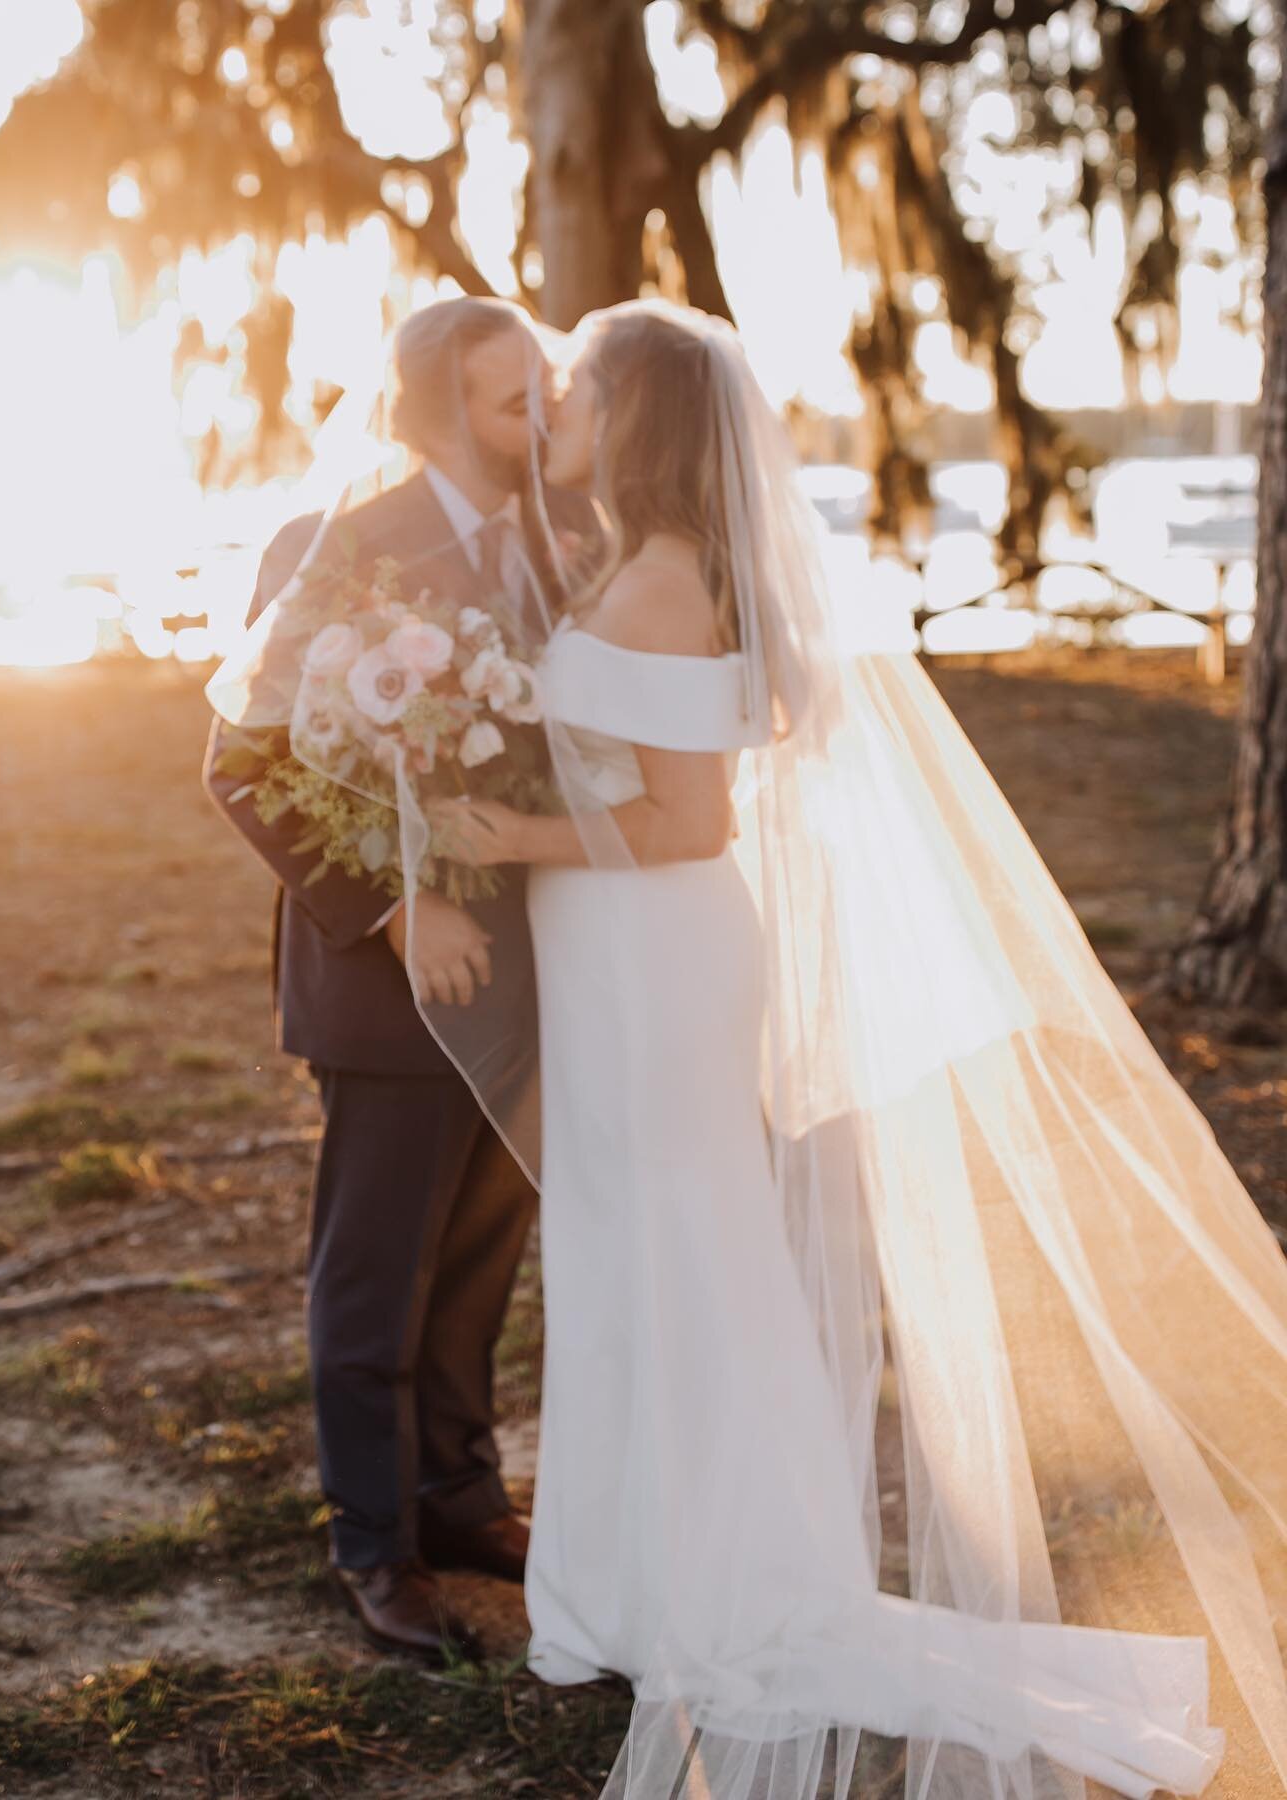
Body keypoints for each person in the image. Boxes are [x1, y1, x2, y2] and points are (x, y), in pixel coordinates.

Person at [421, 302, 1287, 1798]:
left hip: (662, 955)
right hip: (617, 958)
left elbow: (693, 824)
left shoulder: (670, 581)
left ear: (637, 416)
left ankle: (731, 1580)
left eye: (578, 385)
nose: (557, 401)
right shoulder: (624, 563)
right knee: (627, 1252)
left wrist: (506, 832)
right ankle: (618, 1583)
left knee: (688, 1248)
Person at [202, 297, 595, 1662]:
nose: (539, 423)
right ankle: (371, 1541)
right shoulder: (337, 547)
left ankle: (460, 1493)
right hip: (387, 984)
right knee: (376, 1266)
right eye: (510, 403)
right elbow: (243, 765)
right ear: (436, 415)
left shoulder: (557, 543)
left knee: (485, 1252)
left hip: (530, 969)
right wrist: (392, 915)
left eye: (546, 395)